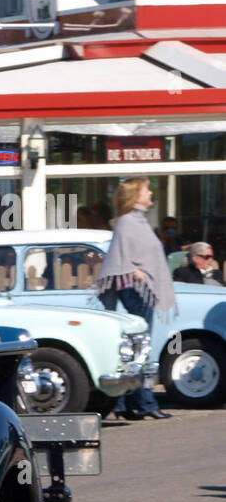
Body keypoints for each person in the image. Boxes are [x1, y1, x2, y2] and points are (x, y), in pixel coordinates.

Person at [95, 176, 177, 420]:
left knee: (137, 348)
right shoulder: (126, 223)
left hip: (145, 290)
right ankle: (142, 403)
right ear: (135, 195)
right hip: (136, 290)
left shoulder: (139, 222)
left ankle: (129, 404)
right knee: (139, 349)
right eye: (147, 190)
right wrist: (135, 271)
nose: (151, 194)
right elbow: (119, 258)